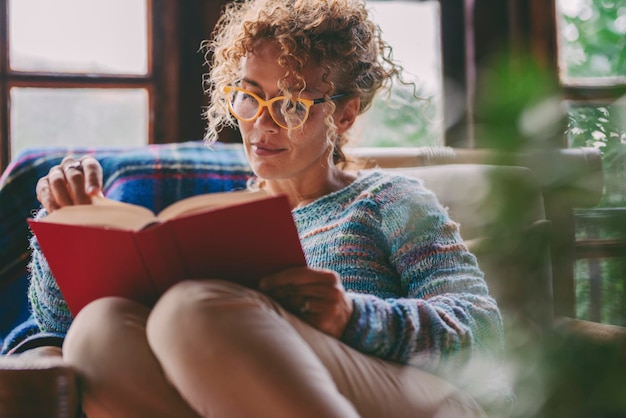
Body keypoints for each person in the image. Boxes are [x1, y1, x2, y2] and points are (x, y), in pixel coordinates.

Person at [13, 0, 507, 416]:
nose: (261, 126)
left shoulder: (389, 200)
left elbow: (481, 329)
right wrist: (68, 221)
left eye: (290, 105)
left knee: (194, 310)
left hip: (415, 396)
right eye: (248, 98)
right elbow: (58, 328)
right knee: (99, 332)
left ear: (346, 112)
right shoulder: (220, 220)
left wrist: (351, 315)